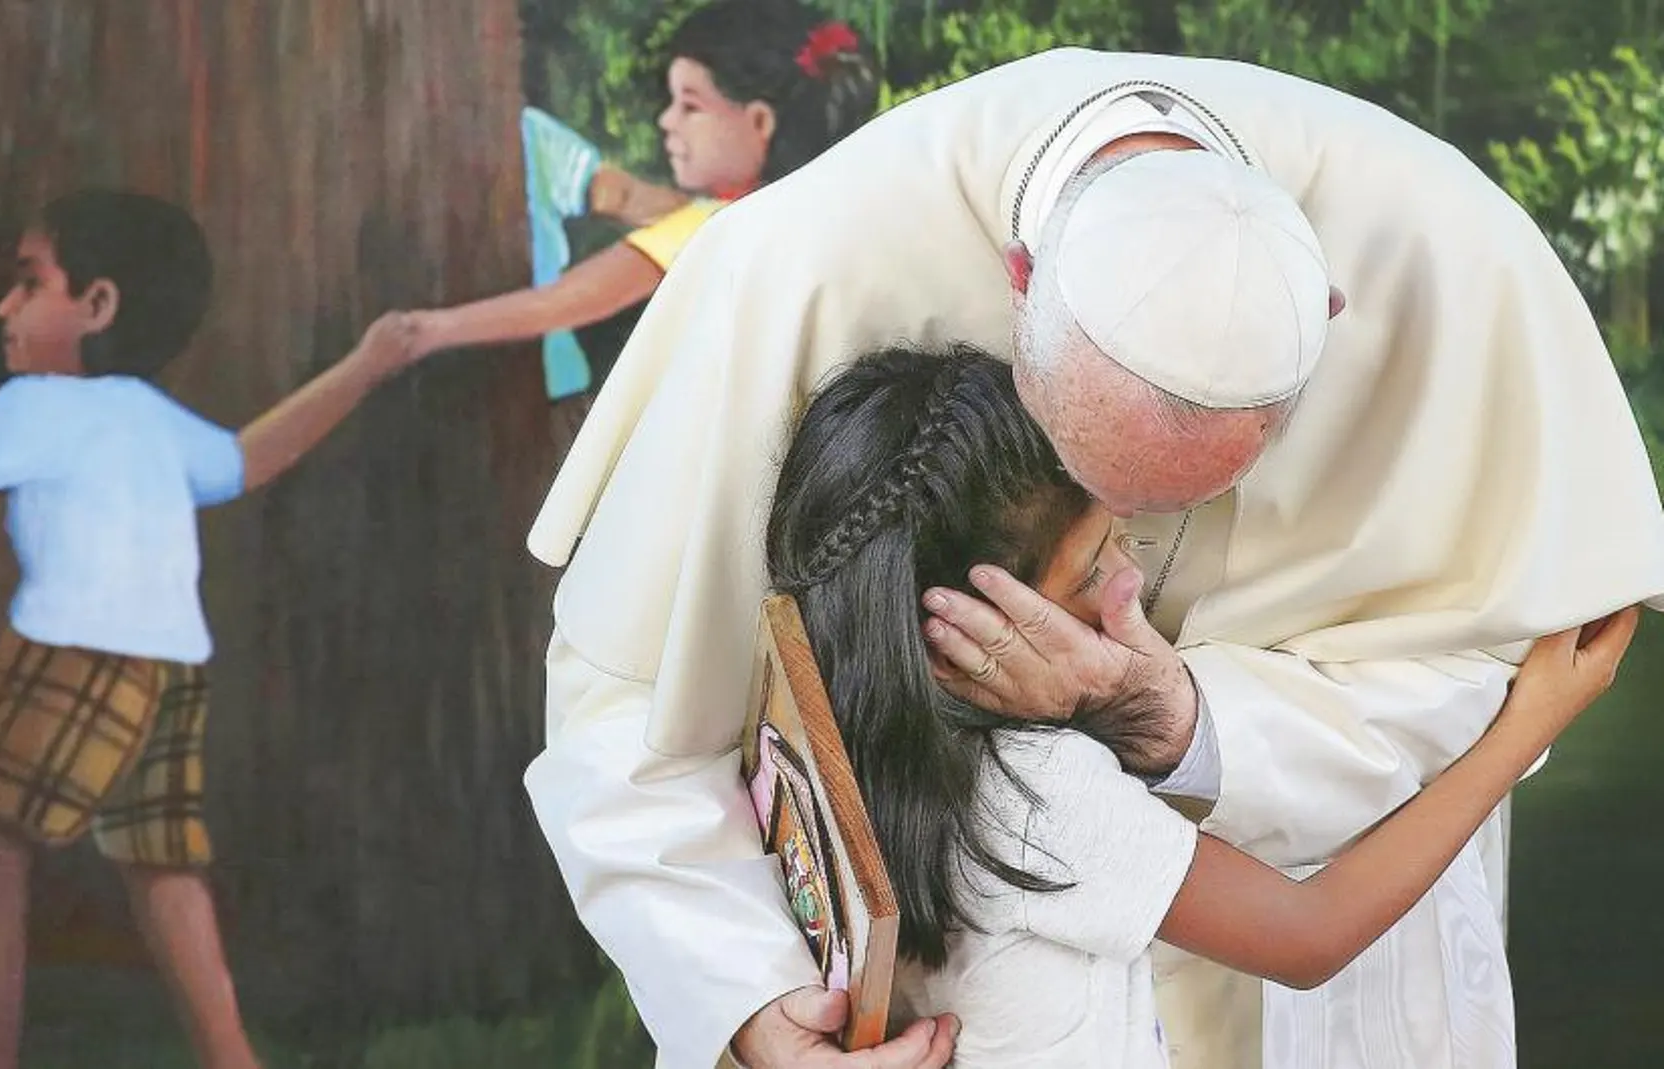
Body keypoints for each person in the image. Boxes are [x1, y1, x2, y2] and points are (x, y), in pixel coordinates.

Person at [520, 47, 1664, 1069]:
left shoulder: (1455, 270)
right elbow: (633, 713)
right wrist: (750, 1003)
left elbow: (1480, 658)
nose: (1133, 582)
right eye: (1094, 512)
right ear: (1016, 283)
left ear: (1329, 315)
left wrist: (1176, 717)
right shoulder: (802, 267)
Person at [766, 343, 1637, 1067]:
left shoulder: (819, 738)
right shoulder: (1028, 790)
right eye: (1091, 568)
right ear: (959, 626)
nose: (1129, 581)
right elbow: (1310, 936)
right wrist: (1528, 726)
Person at [0, 189, 417, 1069]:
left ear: (98, 306)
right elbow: (251, 457)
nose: (4, 306)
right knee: (162, 865)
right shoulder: (150, 414)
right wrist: (366, 365)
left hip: (74, 650)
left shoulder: (35, 406)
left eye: (28, 284)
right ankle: (232, 1058)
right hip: (174, 668)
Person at [382, 0, 878, 394]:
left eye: (690, 106)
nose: (667, 122)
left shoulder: (711, 227)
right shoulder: (822, 211)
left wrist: (427, 331)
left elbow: (557, 305)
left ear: (760, 122)